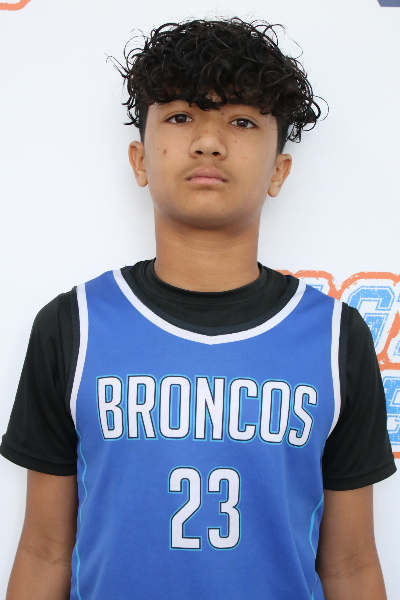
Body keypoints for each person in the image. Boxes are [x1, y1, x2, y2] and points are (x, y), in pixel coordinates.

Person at [1, 17, 396, 600]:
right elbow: (44, 549)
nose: (209, 141)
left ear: (279, 171)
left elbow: (351, 565)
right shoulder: (73, 326)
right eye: (181, 116)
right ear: (140, 160)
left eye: (242, 121)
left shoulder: (335, 336)